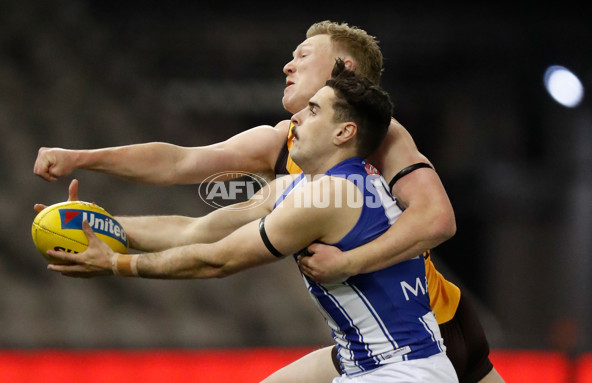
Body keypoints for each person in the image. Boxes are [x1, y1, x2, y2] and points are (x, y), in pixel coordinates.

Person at [33, 21, 502, 383]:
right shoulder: (287, 150)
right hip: (370, 344)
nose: (287, 65)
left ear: (345, 81)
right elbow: (182, 173)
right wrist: (95, 195)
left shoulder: (379, 138)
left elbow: (438, 219)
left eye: (303, 55)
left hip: (432, 330)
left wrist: (348, 263)